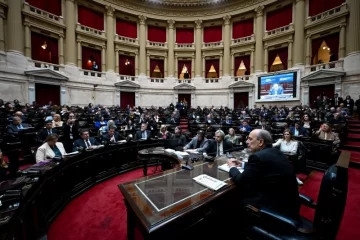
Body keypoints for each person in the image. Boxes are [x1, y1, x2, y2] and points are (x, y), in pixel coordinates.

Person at [227, 129, 300, 219]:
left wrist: (232, 167)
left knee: (232, 198)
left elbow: (241, 181)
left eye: (250, 139)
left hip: (274, 211)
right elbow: (263, 168)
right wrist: (242, 164)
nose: (246, 142)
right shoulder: (276, 152)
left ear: (261, 142)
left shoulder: (257, 157)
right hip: (289, 204)